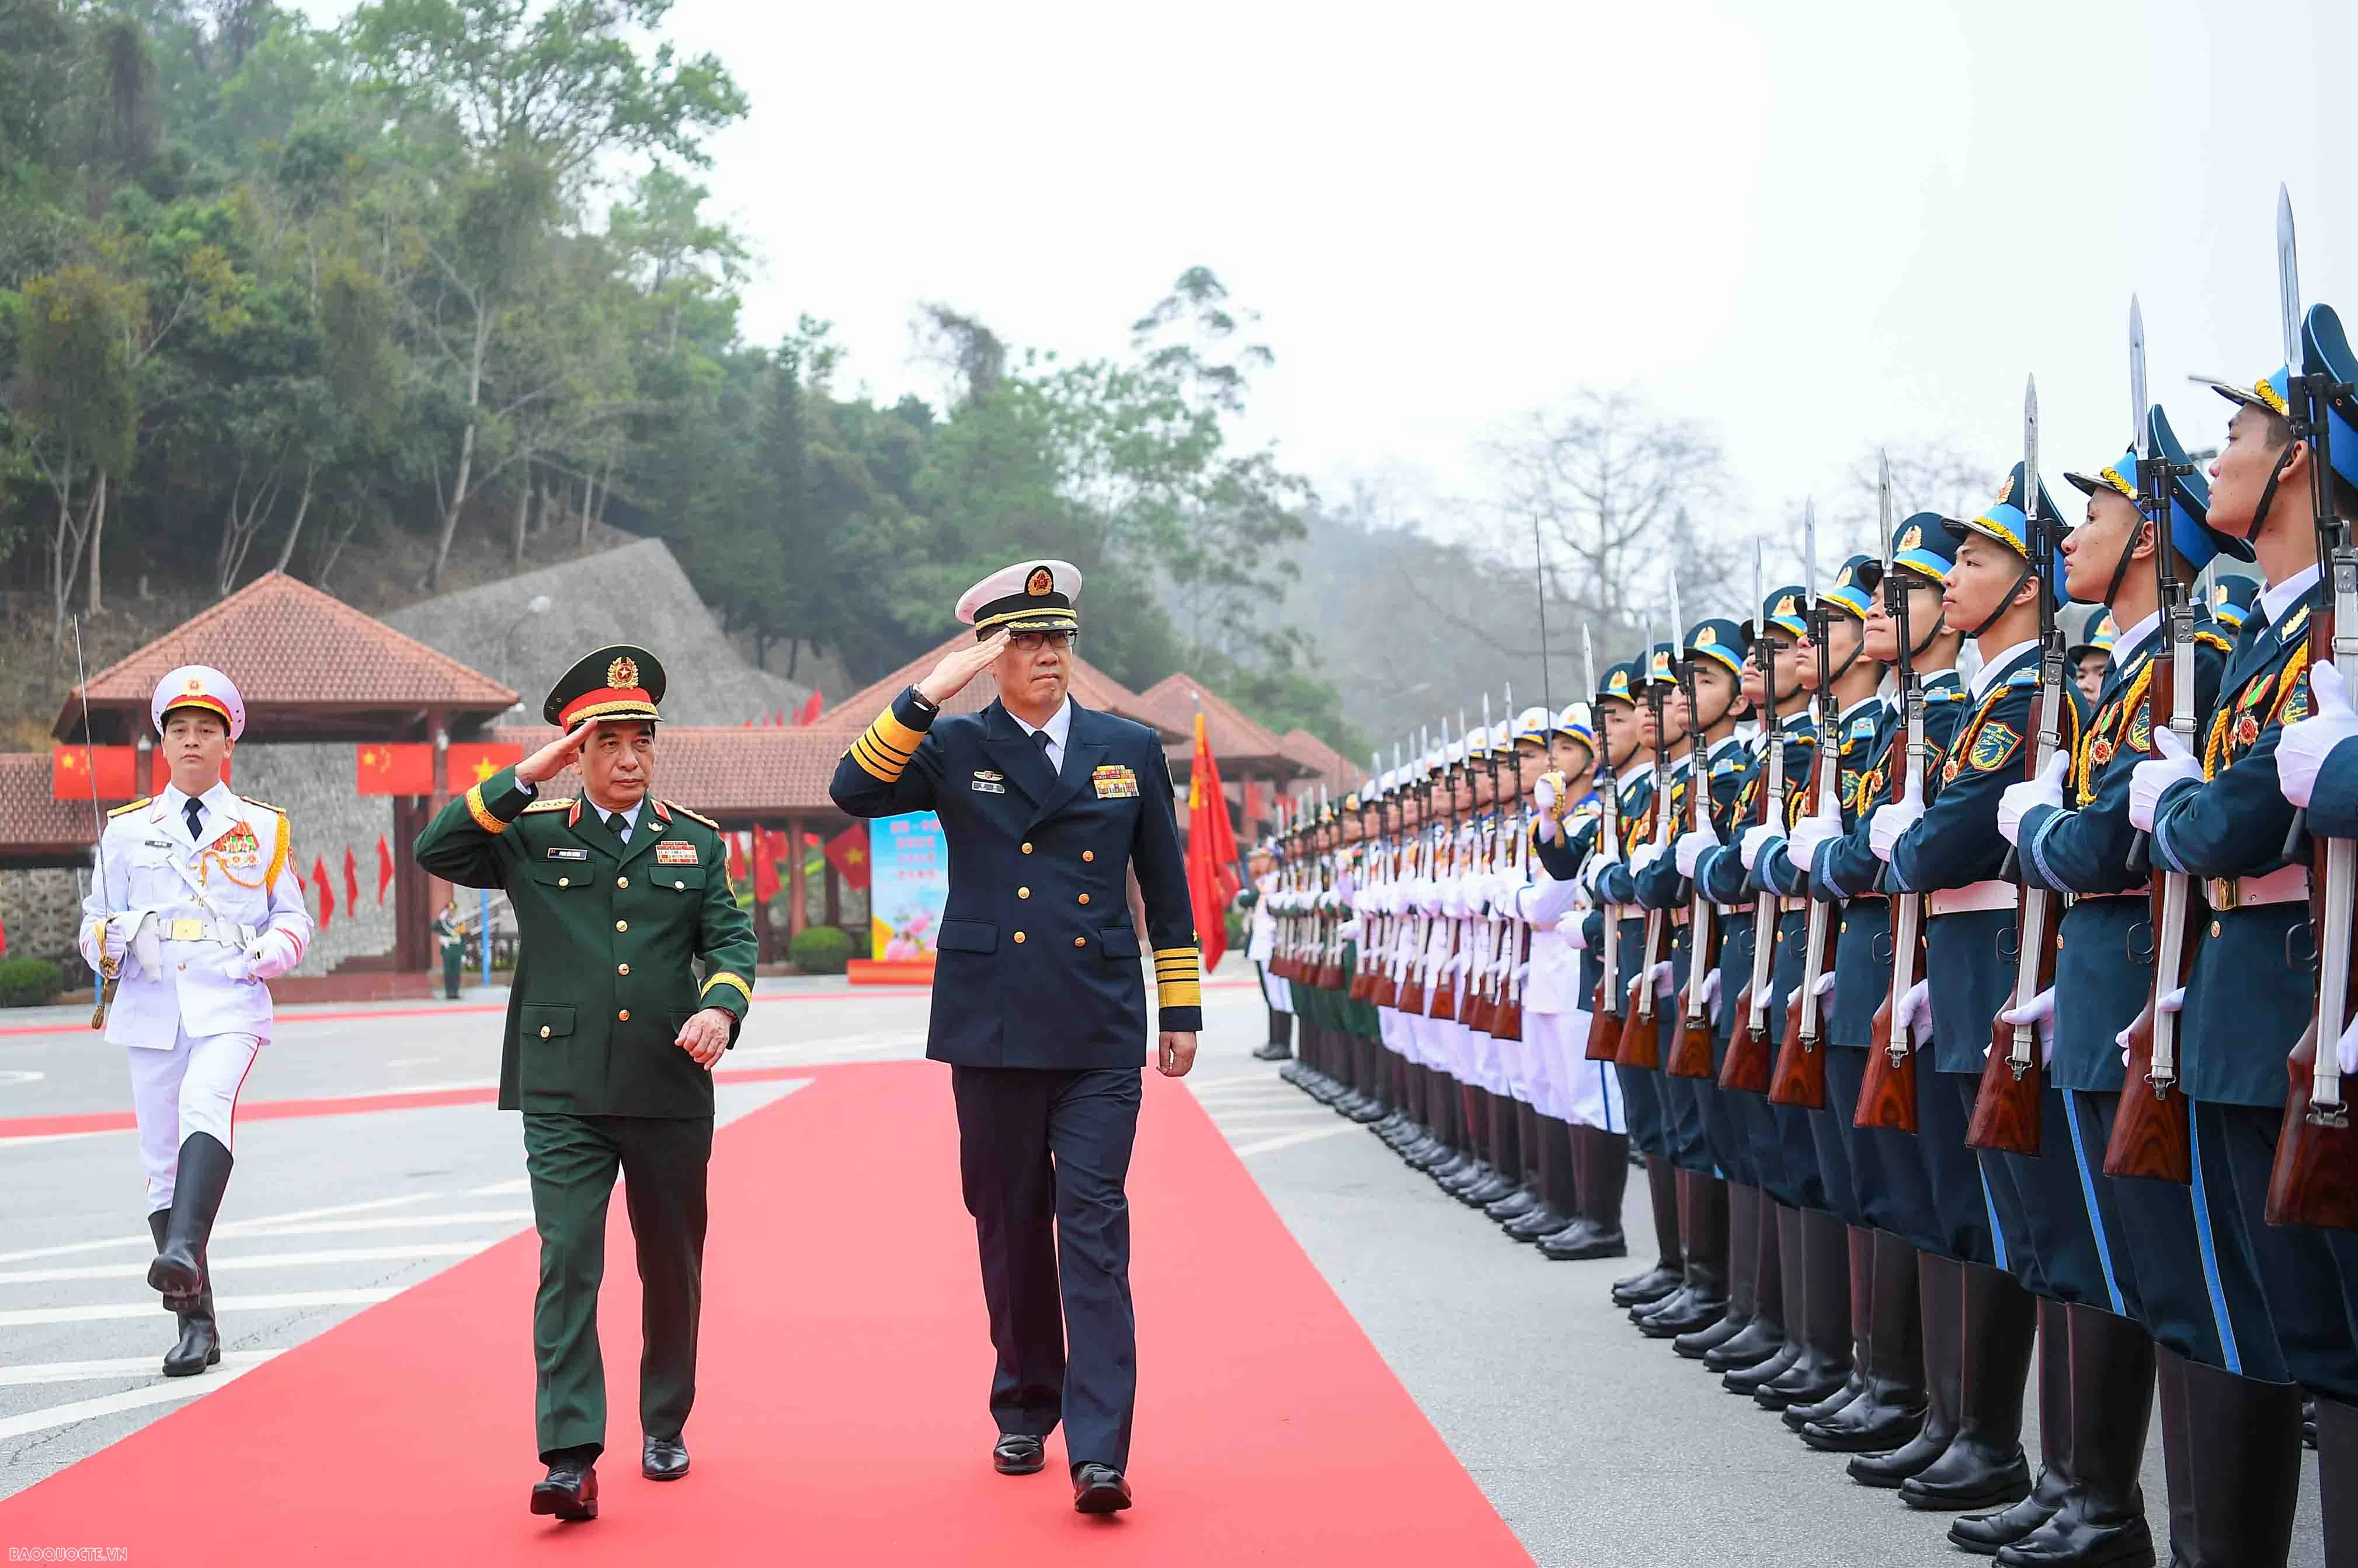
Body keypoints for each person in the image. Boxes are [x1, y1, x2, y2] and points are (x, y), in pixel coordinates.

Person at [828, 559, 1201, 1516]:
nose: (1045, 656)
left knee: (1092, 1226)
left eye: (1057, 638)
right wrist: (928, 691)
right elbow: (850, 789)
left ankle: (1100, 1447)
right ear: (990, 656)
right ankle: (1024, 1400)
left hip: (1097, 1027)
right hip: (991, 1025)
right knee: (1007, 1226)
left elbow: (1165, 885)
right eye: (1023, 642)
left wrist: (1182, 1008)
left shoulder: (1127, 747)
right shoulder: (955, 744)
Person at [413, 644, 757, 1523]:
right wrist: (530, 773)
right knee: (567, 1260)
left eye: (640, 739)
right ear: (577, 750)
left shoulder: (697, 842)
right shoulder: (528, 836)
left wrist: (720, 1010)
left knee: (670, 1266)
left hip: (670, 1085)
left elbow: (732, 943)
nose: (628, 757)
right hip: (562, 1088)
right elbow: (438, 845)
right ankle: (569, 1454)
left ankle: (664, 1420)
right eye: (606, 741)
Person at [2136, 316, 2358, 1565]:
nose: (2215, 460)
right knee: (2275, 1324)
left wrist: (2171, 808)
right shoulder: (2279, 624)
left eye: (2237, 437)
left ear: (2297, 466)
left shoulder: (2340, 612)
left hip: (2300, 986)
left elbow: (2241, 813)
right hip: (2239, 993)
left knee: (2329, 1337)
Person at [78, 665, 312, 1379]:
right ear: (163, 741)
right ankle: (196, 1320)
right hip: (151, 1005)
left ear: (226, 742)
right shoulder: (125, 832)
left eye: (205, 729)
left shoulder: (261, 827)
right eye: (178, 729)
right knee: (160, 1162)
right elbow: (92, 928)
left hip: (228, 999)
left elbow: (293, 919)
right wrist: (108, 940)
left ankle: (179, 1253)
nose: (191, 741)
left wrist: (268, 953)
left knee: (203, 1103)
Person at [436, 898, 468, 1000]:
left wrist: (463, 953)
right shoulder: (444, 924)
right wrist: (440, 919)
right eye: (449, 911)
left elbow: (463, 939)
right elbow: (433, 928)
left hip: (457, 952)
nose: (451, 913)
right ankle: (449, 992)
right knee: (448, 973)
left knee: (456, 973)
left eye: (453, 911)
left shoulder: (460, 924)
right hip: (448, 952)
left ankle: (456, 992)